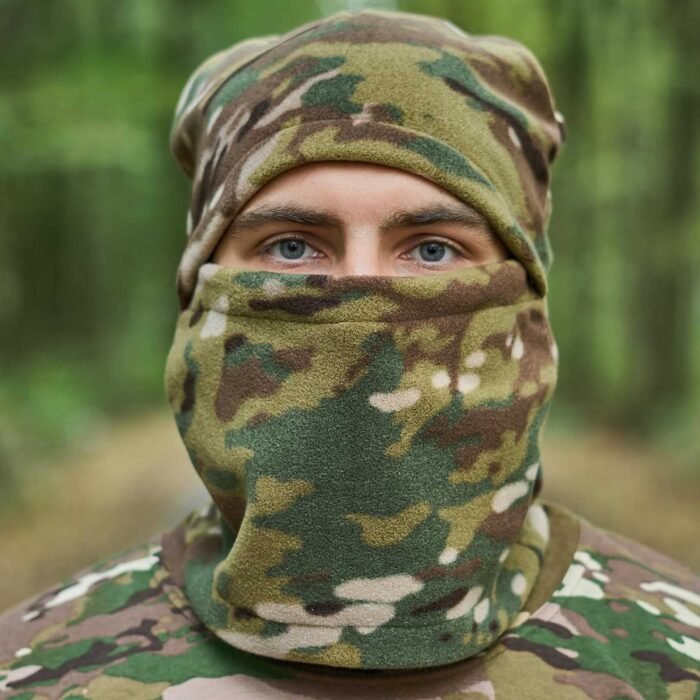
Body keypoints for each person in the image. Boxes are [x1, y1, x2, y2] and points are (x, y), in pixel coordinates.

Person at [1, 9, 698, 699]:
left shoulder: (673, 659)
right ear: (199, 287)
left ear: (528, 293)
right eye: (293, 247)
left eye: (432, 250)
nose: (359, 297)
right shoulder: (35, 673)